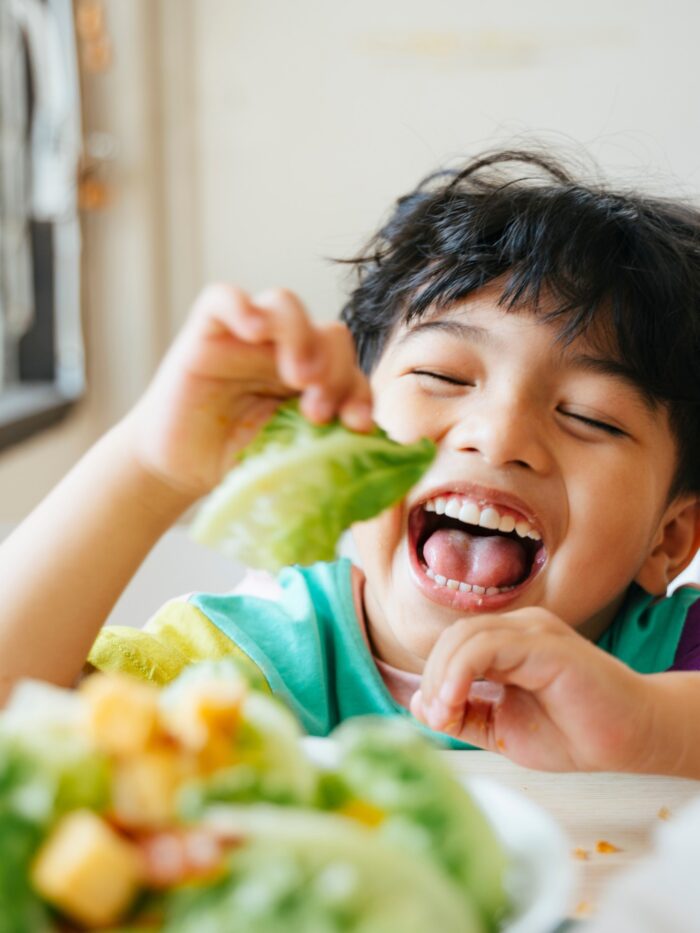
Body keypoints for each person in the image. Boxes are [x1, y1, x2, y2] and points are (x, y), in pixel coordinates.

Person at [1, 149, 699, 775]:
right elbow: (18, 728)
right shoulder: (245, 661)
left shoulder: (673, 661)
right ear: (350, 426)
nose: (497, 436)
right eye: (446, 376)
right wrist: (146, 473)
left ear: (669, 538)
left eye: (589, 416)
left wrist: (646, 725)